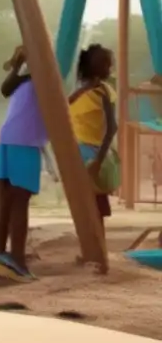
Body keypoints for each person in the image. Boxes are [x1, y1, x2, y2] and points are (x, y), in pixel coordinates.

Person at [0, 46, 47, 282]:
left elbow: (4, 88)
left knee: (5, 201)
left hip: (7, 140)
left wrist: (17, 64)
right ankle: (18, 261)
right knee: (20, 201)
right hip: (26, 143)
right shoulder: (40, 81)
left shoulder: (21, 82)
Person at [68, 43, 119, 225]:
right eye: (107, 64)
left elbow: (112, 127)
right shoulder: (80, 92)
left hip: (95, 153)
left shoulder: (104, 92)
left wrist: (98, 160)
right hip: (79, 152)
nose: (110, 68)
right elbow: (64, 107)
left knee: (95, 209)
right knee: (84, 208)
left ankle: (97, 251)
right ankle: (90, 251)